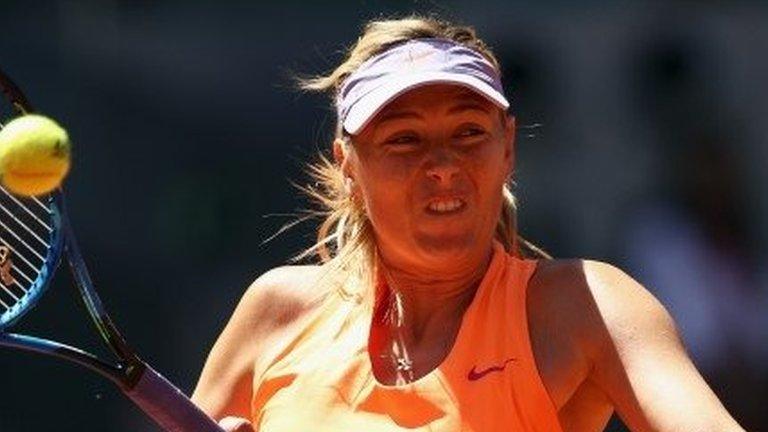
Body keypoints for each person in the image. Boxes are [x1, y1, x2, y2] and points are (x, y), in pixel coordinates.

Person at [191, 15, 745, 431]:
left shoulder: (586, 306)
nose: (442, 165)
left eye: (469, 133)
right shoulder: (275, 314)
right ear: (348, 167)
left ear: (507, 148)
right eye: (404, 139)